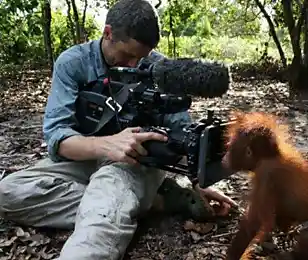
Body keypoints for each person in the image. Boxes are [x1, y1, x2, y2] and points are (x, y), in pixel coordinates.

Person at [0, 0, 237, 259]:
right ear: (108, 33)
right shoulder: (74, 63)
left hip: (134, 161)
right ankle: (156, 202)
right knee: (9, 192)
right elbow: (58, 138)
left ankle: (112, 210)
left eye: (142, 57)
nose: (135, 65)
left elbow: (183, 129)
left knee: (106, 194)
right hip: (86, 157)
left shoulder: (159, 68)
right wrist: (107, 145)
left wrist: (199, 177)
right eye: (127, 55)